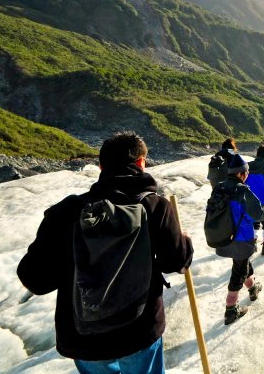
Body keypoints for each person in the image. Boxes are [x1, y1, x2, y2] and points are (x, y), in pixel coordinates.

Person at [17, 132, 193, 374]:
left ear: (101, 167)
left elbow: (35, 279)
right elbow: (177, 261)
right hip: (139, 330)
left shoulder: (65, 213)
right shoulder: (155, 207)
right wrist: (184, 242)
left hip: (84, 337)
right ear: (141, 163)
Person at [215, 152, 264, 325]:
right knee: (238, 272)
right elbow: (258, 214)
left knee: (242, 264)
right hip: (241, 238)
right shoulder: (242, 190)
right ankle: (231, 309)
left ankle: (253, 287)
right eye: (245, 173)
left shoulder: (219, 187)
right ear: (240, 173)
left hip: (224, 237)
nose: (247, 176)